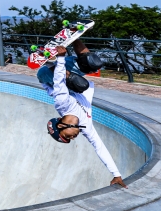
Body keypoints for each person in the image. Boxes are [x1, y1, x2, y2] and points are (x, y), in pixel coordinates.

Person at [39, 42, 126, 188]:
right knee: (93, 63)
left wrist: (60, 58)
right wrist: (116, 174)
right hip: (66, 77)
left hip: (46, 75)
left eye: (67, 136)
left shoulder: (63, 105)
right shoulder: (86, 126)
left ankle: (49, 61)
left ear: (60, 125)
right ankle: (75, 40)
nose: (73, 137)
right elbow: (99, 147)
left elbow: (59, 82)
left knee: (80, 85)